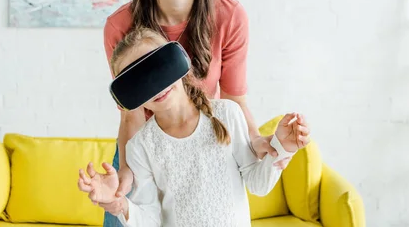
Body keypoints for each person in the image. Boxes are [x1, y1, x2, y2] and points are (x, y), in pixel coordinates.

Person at [102, 0, 309, 226]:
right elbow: (131, 115)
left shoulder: (229, 16)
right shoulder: (120, 26)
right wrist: (127, 174)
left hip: (206, 138)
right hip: (146, 145)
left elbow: (234, 98)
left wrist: (257, 142)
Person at [79, 28, 311, 226]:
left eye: (158, 68)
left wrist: (282, 148)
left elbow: (258, 184)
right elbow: (150, 219)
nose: (155, 86)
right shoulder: (141, 146)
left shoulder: (227, 115)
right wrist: (119, 204)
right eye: (139, 82)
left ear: (176, 63)